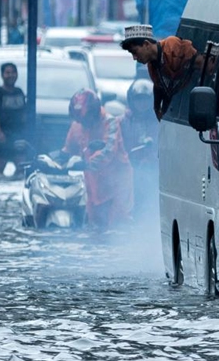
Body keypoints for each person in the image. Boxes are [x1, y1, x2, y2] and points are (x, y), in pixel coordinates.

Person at [61, 89, 133, 230]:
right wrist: (54, 160)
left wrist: (86, 163)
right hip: (93, 185)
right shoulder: (77, 125)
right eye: (79, 120)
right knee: (93, 229)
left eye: (85, 119)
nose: (83, 123)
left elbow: (108, 151)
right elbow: (68, 150)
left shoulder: (110, 122)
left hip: (117, 185)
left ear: (94, 113)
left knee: (119, 227)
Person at [120, 24, 200, 121]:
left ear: (146, 44)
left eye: (135, 52)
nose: (134, 58)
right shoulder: (152, 67)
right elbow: (161, 88)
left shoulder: (172, 46)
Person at [120, 79, 159, 221]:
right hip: (126, 169)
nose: (141, 104)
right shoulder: (123, 121)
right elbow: (117, 144)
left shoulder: (157, 121)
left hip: (151, 169)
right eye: (138, 100)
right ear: (131, 100)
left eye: (145, 100)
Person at [0, 62, 32, 178]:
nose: (11, 75)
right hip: (2, 134)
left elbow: (24, 113)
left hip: (18, 134)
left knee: (21, 168)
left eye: (13, 72)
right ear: (2, 75)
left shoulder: (19, 92)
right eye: (7, 73)